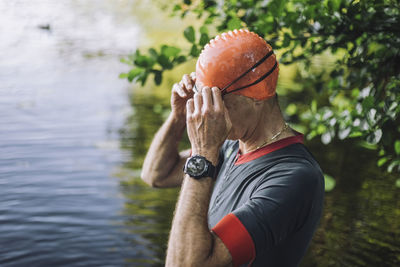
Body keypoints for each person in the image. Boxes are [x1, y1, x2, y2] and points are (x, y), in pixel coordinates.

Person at [141, 29, 325, 267]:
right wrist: (178, 117)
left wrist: (203, 154)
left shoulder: (294, 177)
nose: (206, 110)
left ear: (256, 96)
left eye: (215, 98)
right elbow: (156, 174)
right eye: (201, 96)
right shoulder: (230, 146)